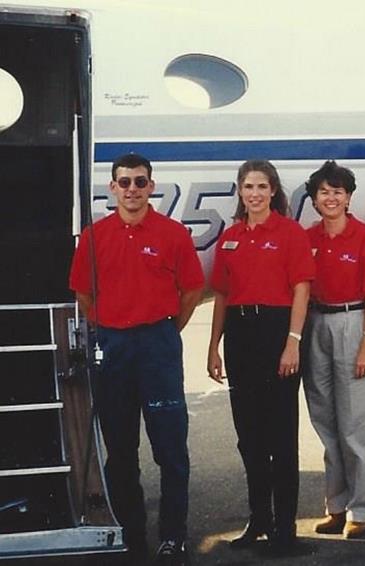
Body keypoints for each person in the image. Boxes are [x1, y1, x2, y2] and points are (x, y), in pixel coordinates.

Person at [69, 153, 203, 565]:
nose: (131, 189)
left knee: (170, 450)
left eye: (139, 182)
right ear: (112, 188)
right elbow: (84, 296)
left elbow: (192, 292)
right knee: (121, 452)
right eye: (124, 182)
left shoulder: (173, 233)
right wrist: (113, 328)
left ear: (151, 186)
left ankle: (173, 537)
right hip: (114, 349)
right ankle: (131, 534)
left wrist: (161, 332)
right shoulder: (94, 238)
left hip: (158, 346)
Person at [207, 160, 314, 554]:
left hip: (276, 332)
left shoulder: (289, 233)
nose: (254, 193)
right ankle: (259, 519)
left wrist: (292, 342)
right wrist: (213, 346)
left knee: (281, 437)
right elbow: (221, 293)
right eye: (248, 186)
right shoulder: (230, 237)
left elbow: (301, 289)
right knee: (249, 437)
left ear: (273, 192)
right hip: (240, 335)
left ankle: (285, 529)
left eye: (261, 187)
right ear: (240, 191)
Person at [301, 161, 365, 539]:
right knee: (326, 423)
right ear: (315, 199)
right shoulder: (307, 238)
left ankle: (360, 508)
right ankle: (335, 505)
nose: (331, 198)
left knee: (357, 426)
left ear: (349, 197)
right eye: (324, 192)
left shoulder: (364, 237)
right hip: (316, 325)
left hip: (354, 325)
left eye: (338, 191)